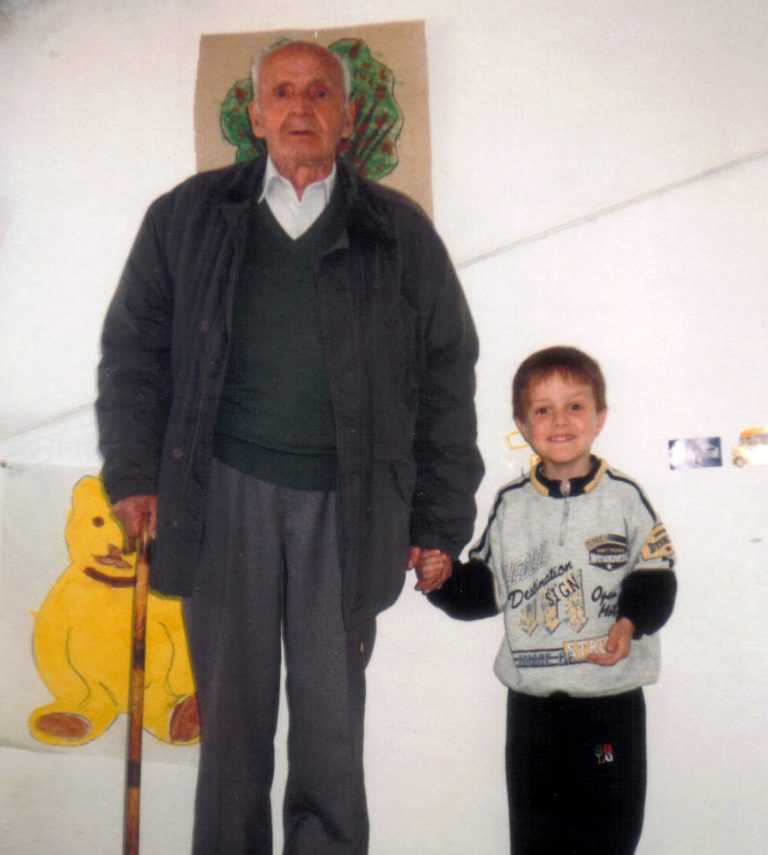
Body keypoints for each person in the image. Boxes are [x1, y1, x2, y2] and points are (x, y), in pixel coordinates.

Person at [96, 40, 483, 855]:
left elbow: (447, 377)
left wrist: (440, 518)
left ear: (347, 119)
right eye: (282, 92)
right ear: (255, 113)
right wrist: (134, 473)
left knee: (331, 733)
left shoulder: (398, 232)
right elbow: (134, 351)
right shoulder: (188, 215)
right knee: (230, 727)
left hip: (352, 509)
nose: (300, 108)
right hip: (222, 496)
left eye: (319, 93)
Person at [419, 346, 677, 855]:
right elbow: (482, 592)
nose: (560, 421)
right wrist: (444, 578)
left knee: (609, 836)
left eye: (575, 406)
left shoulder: (625, 499)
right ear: (522, 423)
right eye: (543, 409)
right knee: (536, 840)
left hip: (610, 707)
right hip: (534, 711)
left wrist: (629, 625)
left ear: (599, 418)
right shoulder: (511, 505)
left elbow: (657, 578)